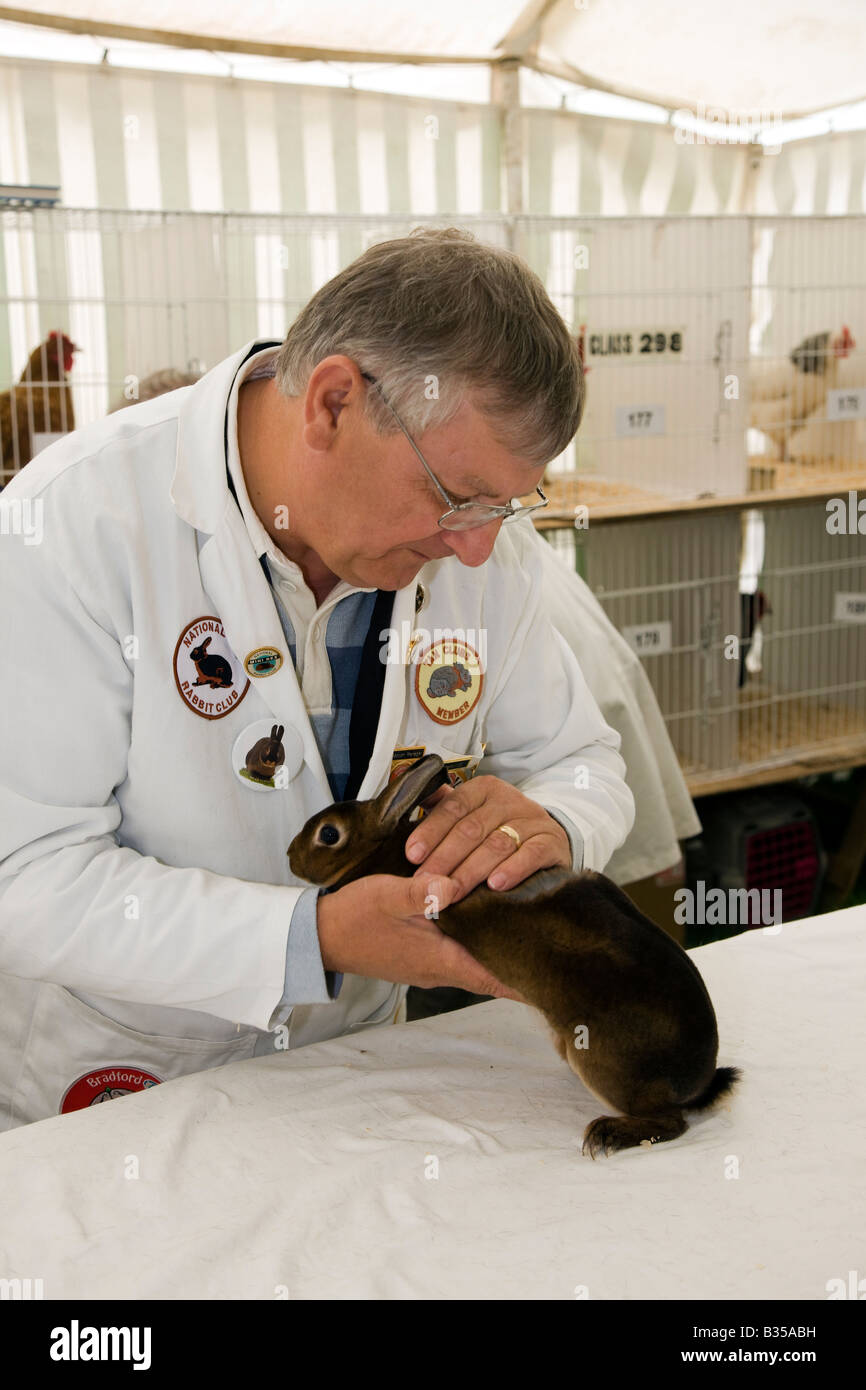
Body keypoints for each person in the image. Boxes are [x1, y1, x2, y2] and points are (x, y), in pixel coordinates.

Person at [0, 227, 634, 1129]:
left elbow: (582, 760)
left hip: (360, 1066)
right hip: (130, 1074)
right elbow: (23, 874)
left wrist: (551, 823)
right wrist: (308, 940)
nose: (480, 546)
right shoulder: (75, 527)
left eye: (507, 503)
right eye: (458, 496)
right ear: (333, 402)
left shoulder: (484, 549)